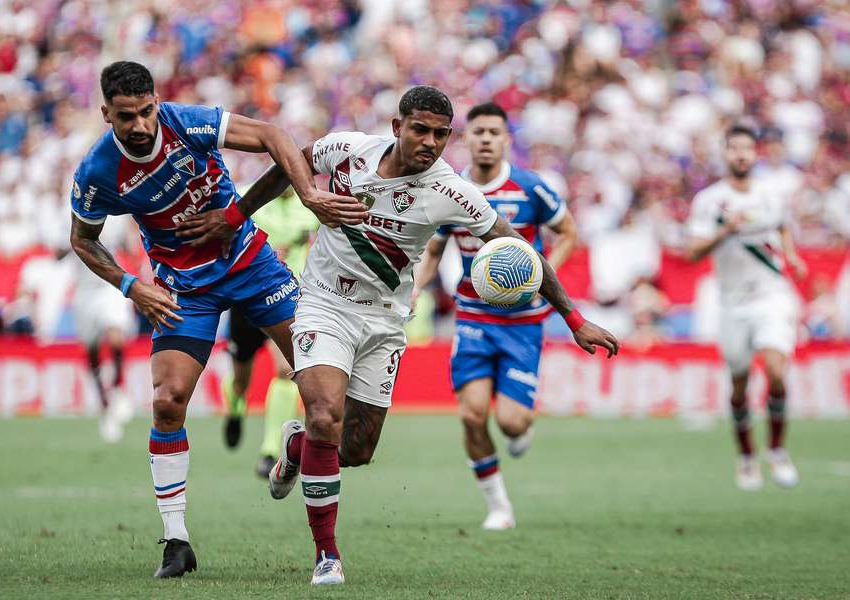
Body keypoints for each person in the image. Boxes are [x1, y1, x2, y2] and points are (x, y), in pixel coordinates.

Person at [183, 85, 618, 585]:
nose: (430, 141)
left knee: (356, 449)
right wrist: (237, 216)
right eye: (420, 129)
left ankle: (296, 448)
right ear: (397, 127)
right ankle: (327, 556)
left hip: (385, 322)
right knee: (325, 411)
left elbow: (520, 248)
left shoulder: (451, 191)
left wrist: (575, 319)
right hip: (323, 302)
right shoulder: (346, 149)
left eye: (439, 134)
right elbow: (288, 164)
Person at [68, 61, 365, 579]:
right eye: (125, 117)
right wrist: (131, 286)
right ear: (105, 114)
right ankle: (176, 541)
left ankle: (295, 447)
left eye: (145, 112)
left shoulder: (187, 122)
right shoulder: (96, 172)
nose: (139, 125)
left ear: (156, 103)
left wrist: (310, 196)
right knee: (166, 403)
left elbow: (274, 135)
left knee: (329, 403)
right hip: (184, 289)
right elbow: (82, 239)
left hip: (251, 265)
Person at [413, 102, 578, 530]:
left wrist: (543, 272)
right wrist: (414, 290)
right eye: (478, 132)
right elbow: (434, 251)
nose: (486, 139)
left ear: (506, 139)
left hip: (524, 321)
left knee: (509, 421)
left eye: (494, 132)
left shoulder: (529, 187)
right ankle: (499, 506)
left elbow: (568, 231)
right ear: (464, 139)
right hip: (473, 316)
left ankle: (522, 428)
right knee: (470, 414)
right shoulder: (449, 189)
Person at [687, 123, 806, 491]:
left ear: (756, 153)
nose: (740, 154)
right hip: (731, 302)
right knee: (739, 386)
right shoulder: (709, 200)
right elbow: (692, 253)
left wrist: (791, 255)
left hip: (771, 294)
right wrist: (726, 230)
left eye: (746, 148)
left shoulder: (772, 194)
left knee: (775, 370)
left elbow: (783, 226)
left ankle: (777, 450)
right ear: (725, 154)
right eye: (734, 148)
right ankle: (746, 457)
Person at [221, 185, 319, 482]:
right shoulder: (252, 202)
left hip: (288, 300)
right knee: (241, 382)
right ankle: (235, 410)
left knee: (287, 370)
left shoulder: (311, 207)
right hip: (249, 300)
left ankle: (270, 450)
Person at [72, 217, 137, 442]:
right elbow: (57, 252)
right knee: (92, 350)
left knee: (116, 333)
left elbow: (131, 247)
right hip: (84, 290)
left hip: (110, 284)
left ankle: (118, 387)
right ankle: (105, 405)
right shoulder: (69, 212)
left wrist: (129, 232)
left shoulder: (117, 214)